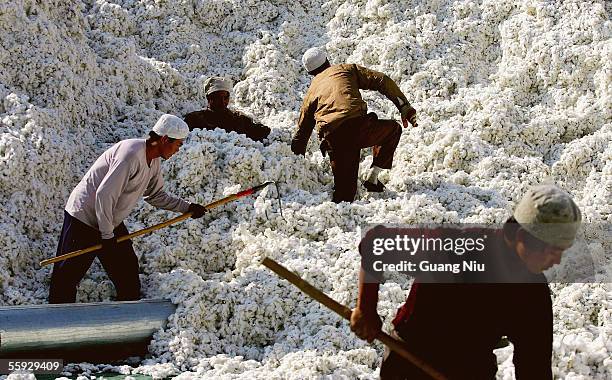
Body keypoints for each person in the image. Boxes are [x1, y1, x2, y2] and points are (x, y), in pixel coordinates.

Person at [351, 184, 582, 379]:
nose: (557, 260)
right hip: (411, 358)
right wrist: (366, 308)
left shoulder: (532, 294)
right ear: (522, 237)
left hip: (472, 368)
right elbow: (376, 245)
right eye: (551, 250)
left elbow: (534, 368)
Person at [48, 114, 208, 304]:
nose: (178, 150)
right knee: (67, 277)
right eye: (178, 144)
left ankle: (127, 317)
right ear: (165, 139)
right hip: (84, 217)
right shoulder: (130, 154)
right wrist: (107, 236)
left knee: (127, 271)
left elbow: (156, 195)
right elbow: (104, 195)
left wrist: (187, 208)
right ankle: (57, 321)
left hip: (108, 219)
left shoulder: (154, 160)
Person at [290, 46, 418, 203]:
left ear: (310, 73)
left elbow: (302, 133)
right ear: (328, 61)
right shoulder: (345, 69)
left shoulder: (311, 92)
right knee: (393, 129)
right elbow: (381, 80)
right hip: (360, 128)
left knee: (345, 197)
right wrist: (404, 106)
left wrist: (293, 163)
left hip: (335, 139)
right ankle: (373, 177)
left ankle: (344, 203)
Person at [184, 77, 271, 142]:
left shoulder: (239, 120)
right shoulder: (194, 119)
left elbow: (261, 133)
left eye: (226, 97)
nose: (223, 101)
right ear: (208, 98)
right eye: (218, 97)